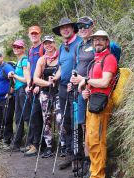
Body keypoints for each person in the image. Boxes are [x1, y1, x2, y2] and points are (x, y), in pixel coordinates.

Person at [78, 30, 118, 178]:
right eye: (95, 40)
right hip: (92, 102)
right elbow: (93, 83)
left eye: (101, 40)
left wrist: (86, 80)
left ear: (107, 42)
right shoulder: (96, 60)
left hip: (101, 104)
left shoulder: (109, 59)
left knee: (97, 140)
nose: (98, 42)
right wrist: (85, 90)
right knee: (90, 139)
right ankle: (94, 173)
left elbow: (105, 81)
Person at [52, 18, 82, 169]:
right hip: (63, 88)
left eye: (67, 27)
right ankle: (70, 154)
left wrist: (75, 79)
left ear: (72, 28)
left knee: (76, 121)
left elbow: (83, 65)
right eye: (62, 28)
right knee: (66, 121)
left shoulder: (80, 43)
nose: (65, 30)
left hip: (76, 87)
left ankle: (78, 156)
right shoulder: (62, 46)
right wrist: (55, 77)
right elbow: (61, 67)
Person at [68, 16, 94, 173]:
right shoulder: (79, 46)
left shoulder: (96, 43)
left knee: (90, 127)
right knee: (83, 126)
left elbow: (99, 66)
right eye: (80, 26)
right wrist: (74, 79)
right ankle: (86, 160)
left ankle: (92, 162)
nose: (83, 29)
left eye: (86, 25)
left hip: (90, 90)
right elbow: (78, 66)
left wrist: (84, 80)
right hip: (79, 90)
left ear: (92, 26)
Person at [33, 35, 64, 158]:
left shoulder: (60, 57)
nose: (48, 45)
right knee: (47, 120)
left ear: (54, 43)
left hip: (58, 93)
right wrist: (47, 83)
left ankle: (63, 146)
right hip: (45, 93)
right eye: (45, 43)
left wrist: (55, 79)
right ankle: (49, 146)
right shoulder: (42, 60)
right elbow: (35, 78)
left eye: (50, 43)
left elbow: (62, 71)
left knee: (60, 119)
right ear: (43, 45)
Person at [22, 25, 44, 156]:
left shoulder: (42, 48)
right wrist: (28, 83)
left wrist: (38, 85)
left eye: (36, 33)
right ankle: (34, 143)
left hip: (40, 87)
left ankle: (37, 145)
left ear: (40, 34)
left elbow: (44, 66)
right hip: (32, 87)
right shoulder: (30, 50)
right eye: (32, 34)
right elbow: (29, 67)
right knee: (32, 116)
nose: (34, 35)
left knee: (36, 117)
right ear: (29, 35)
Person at [9, 39, 31, 152]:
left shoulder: (24, 60)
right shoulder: (19, 61)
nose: (16, 49)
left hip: (23, 90)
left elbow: (26, 79)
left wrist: (14, 76)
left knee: (26, 117)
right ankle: (16, 144)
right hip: (18, 91)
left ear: (23, 48)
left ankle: (31, 144)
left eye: (18, 47)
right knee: (18, 118)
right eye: (15, 47)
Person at [0, 51, 15, 148]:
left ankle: (7, 141)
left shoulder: (6, 67)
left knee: (7, 119)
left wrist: (10, 93)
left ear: (1, 57)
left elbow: (13, 78)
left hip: (7, 98)